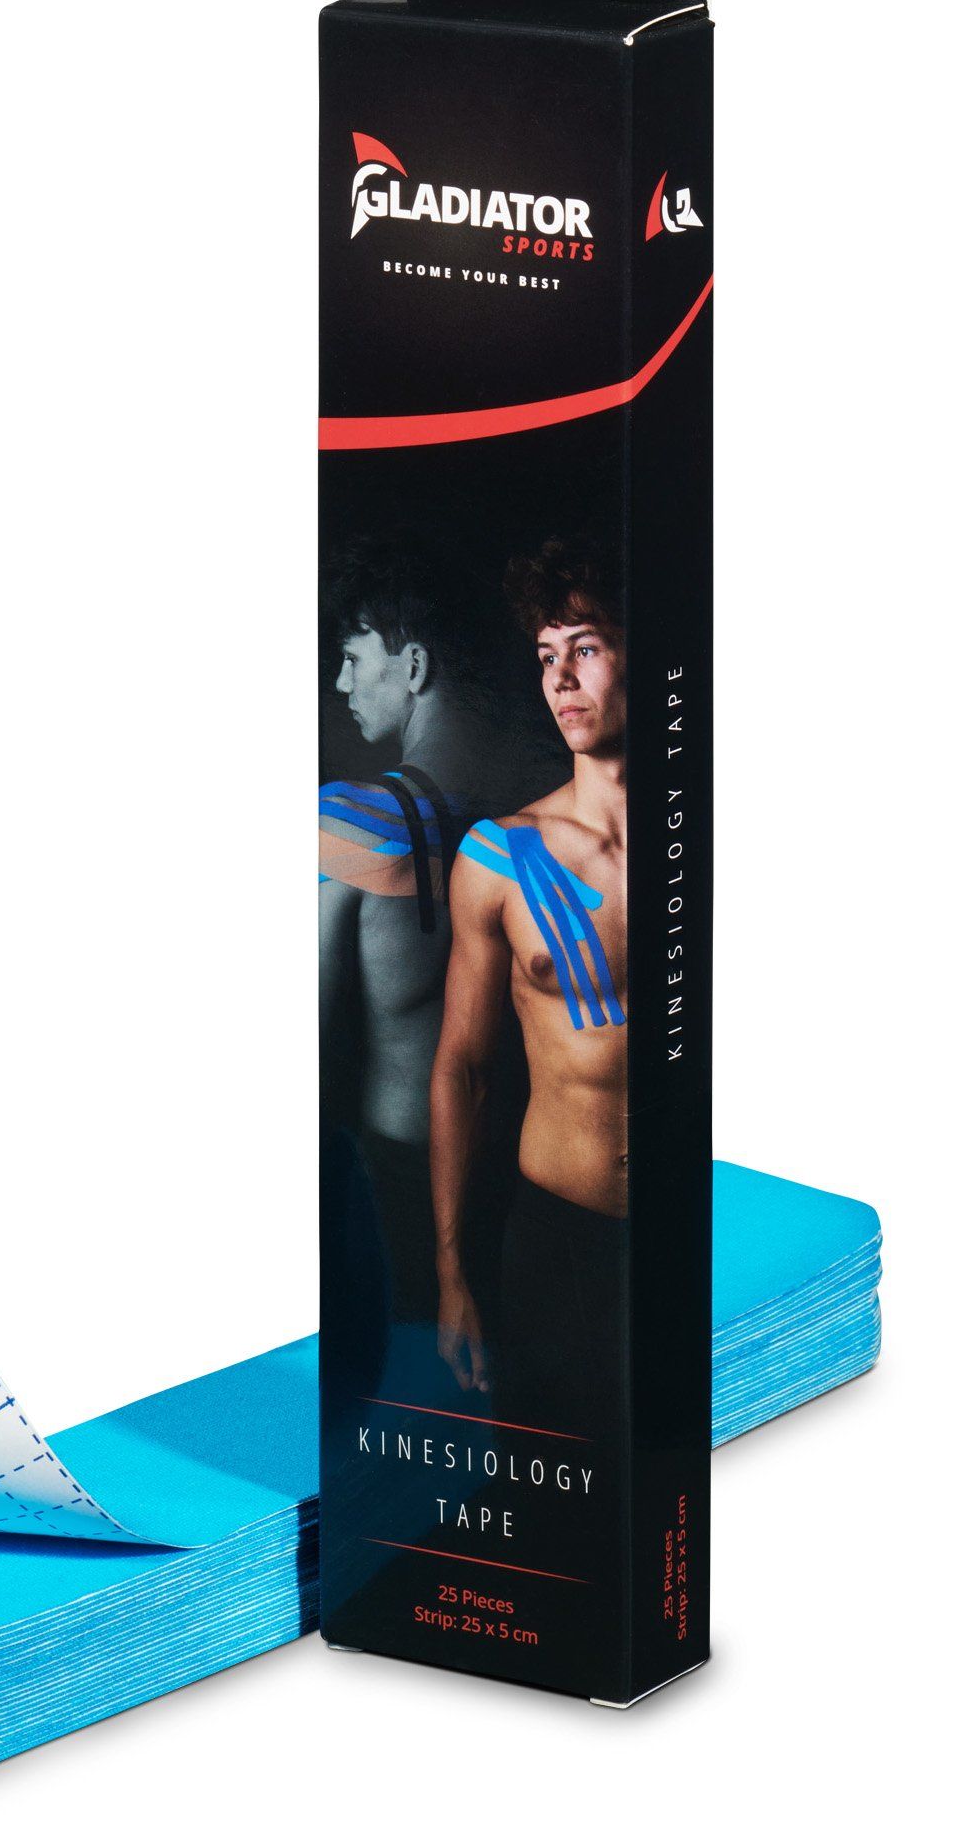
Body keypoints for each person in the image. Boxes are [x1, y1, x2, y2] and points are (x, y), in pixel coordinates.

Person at [428, 537, 629, 1435]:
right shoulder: (501, 856)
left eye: (585, 648)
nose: (561, 680)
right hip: (559, 1239)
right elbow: (461, 1068)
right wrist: (451, 1273)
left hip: (701, 1230)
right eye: (547, 657)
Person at [319, 533, 498, 1323]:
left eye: (353, 658)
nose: (341, 682)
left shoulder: (349, 823)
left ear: (414, 666)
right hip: (517, 1180)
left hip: (396, 1187)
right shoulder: (531, 817)